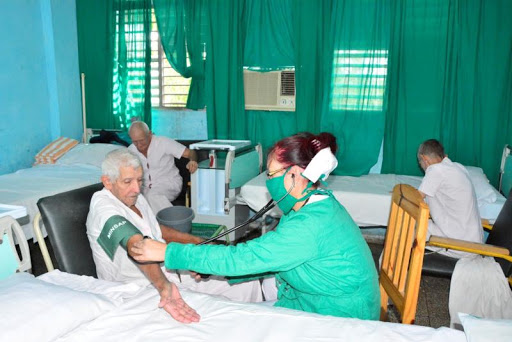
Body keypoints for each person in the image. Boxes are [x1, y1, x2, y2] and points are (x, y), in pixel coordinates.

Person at [131, 132, 381, 320]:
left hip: (338, 317)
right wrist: (215, 271)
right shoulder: (315, 203)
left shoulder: (309, 225)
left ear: (294, 174)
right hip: (312, 298)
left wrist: (167, 252)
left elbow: (244, 258)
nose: (268, 182)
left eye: (271, 175)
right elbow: (270, 257)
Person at [85, 149, 263, 323]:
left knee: (244, 282)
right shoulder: (103, 208)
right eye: (127, 181)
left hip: (172, 270)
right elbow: (136, 246)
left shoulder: (133, 197)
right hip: (142, 289)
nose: (136, 188)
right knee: (223, 311)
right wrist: (165, 287)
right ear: (107, 182)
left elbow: (155, 229)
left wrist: (196, 242)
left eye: (139, 180)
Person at [417, 139, 483, 258]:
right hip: (472, 241)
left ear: (424, 158)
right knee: (419, 224)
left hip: (460, 245)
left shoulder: (435, 170)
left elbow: (415, 199)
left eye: (420, 162)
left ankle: (390, 272)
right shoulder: (458, 167)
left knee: (406, 227)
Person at [128, 121, 198, 213]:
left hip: (169, 183)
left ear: (150, 134)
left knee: (152, 196)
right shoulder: (130, 150)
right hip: (145, 188)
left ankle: (174, 220)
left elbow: (190, 153)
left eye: (141, 141)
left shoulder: (163, 142)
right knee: (136, 200)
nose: (139, 145)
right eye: (135, 142)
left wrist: (193, 161)